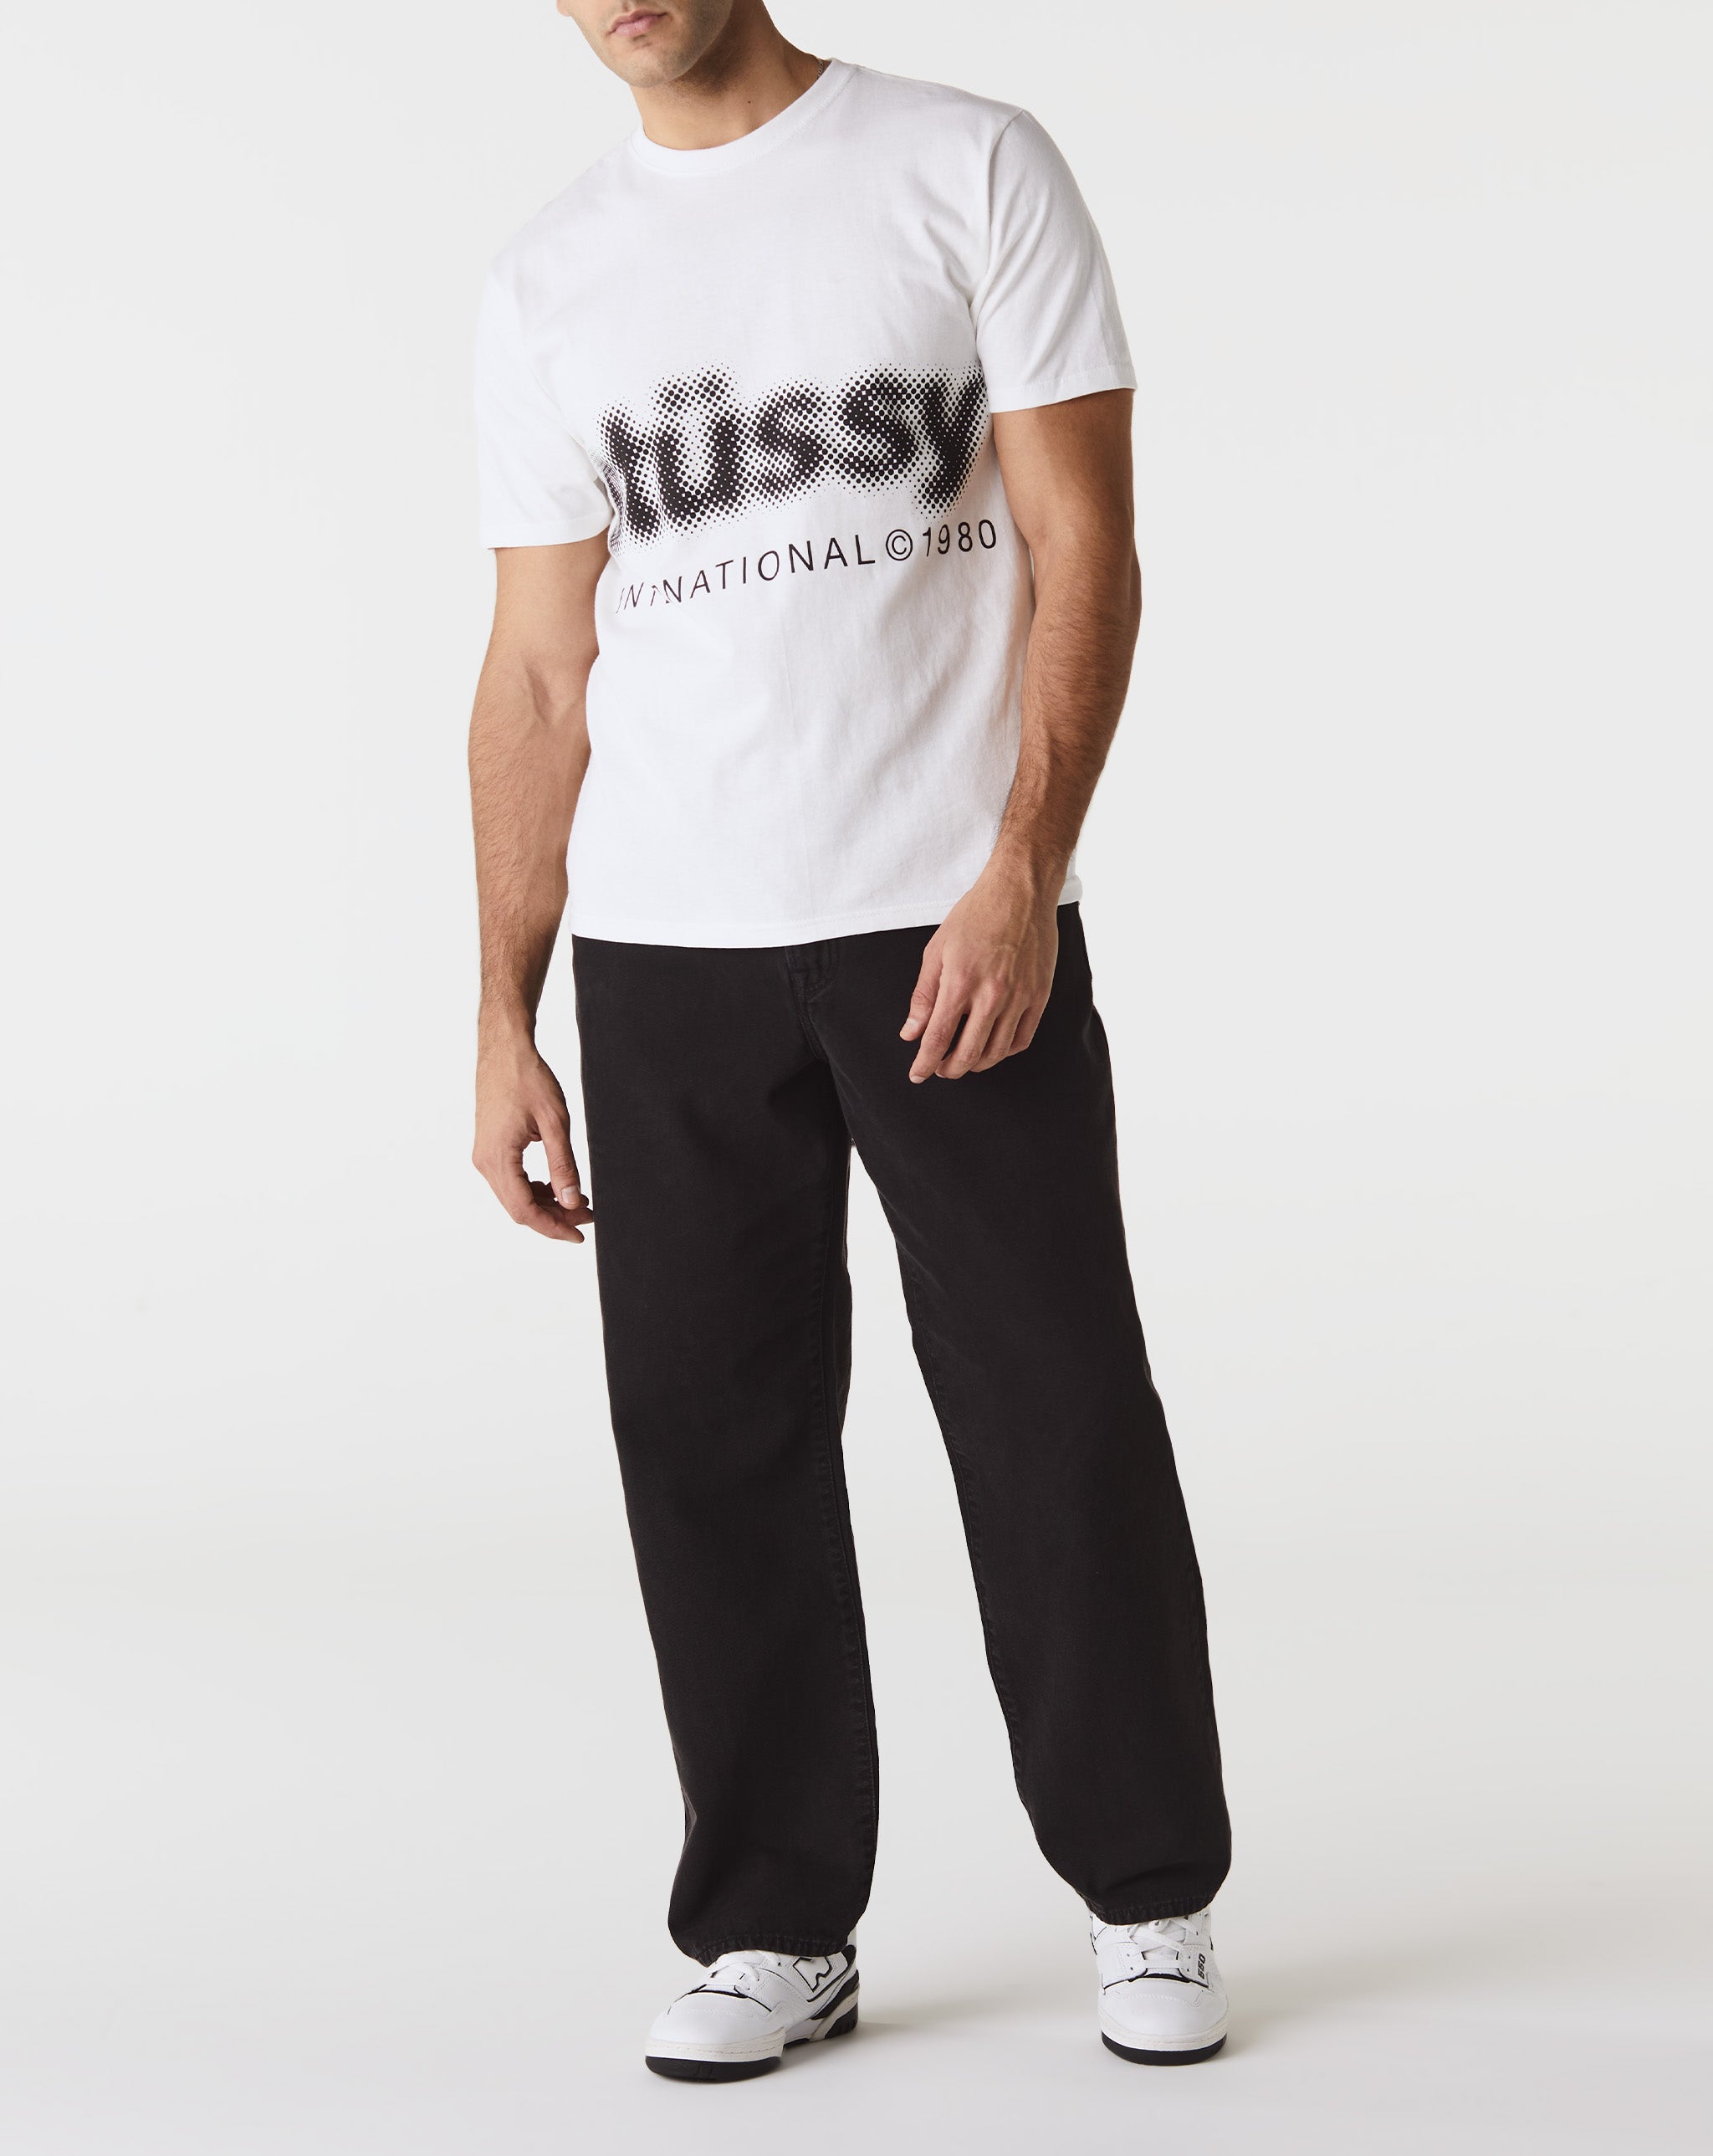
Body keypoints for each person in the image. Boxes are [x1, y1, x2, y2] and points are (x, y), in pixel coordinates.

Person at [468, 0, 1231, 2082]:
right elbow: (537, 668)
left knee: (1054, 1401)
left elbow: (1087, 541)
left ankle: (1148, 1887)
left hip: (944, 915)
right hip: (665, 944)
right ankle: (773, 1922)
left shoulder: (964, 164)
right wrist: (503, 1006)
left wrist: (1022, 868)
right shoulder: (547, 277)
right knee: (706, 1435)